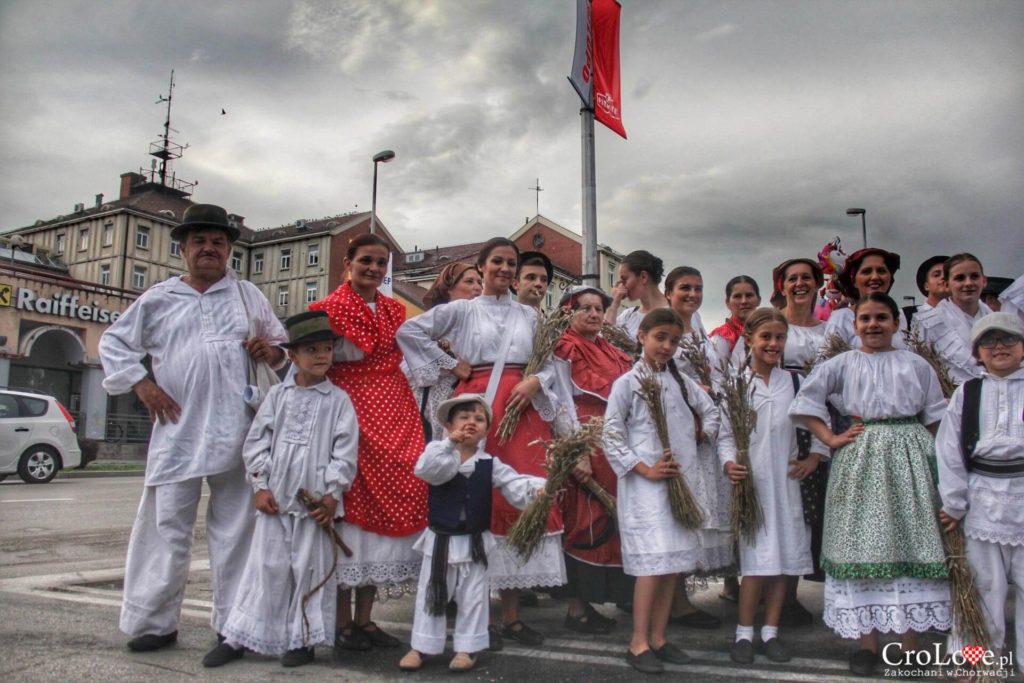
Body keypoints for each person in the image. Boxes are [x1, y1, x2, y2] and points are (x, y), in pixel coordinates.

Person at [99, 203, 287, 651]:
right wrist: (141, 384)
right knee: (164, 526)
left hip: (238, 430)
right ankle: (154, 623)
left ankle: (234, 627)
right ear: (183, 248)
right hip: (177, 430)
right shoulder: (159, 298)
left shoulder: (248, 296)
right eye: (199, 241)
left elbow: (283, 350)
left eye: (218, 242)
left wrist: (271, 352)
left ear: (229, 251)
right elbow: (114, 343)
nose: (209, 248)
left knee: (237, 531)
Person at [397, 237, 565, 649]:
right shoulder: (461, 310)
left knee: (518, 498)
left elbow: (552, 363)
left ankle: (512, 615)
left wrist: (535, 381)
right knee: (474, 505)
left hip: (522, 413)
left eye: (512, 263)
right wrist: (452, 364)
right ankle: (479, 616)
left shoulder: (530, 317)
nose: (505, 270)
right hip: (478, 409)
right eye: (498, 263)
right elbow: (409, 330)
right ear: (483, 266)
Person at [789, 293, 950, 677]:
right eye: (865, 318)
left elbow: (936, 415)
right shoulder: (841, 363)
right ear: (855, 324)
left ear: (896, 323)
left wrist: (929, 456)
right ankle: (867, 643)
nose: (873, 325)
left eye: (881, 317)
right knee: (862, 542)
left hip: (909, 454)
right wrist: (828, 438)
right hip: (860, 456)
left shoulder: (916, 364)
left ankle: (910, 643)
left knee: (908, 539)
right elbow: (806, 400)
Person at [203, 311, 359, 668]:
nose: (322, 356)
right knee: (266, 567)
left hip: (314, 503)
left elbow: (345, 452)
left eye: (327, 349)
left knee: (307, 568)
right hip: (276, 498)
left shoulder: (338, 401)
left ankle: (301, 640)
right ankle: (239, 635)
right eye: (312, 349)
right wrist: (259, 485)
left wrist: (332, 495)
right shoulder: (278, 396)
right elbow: (256, 442)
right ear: (293, 355)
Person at [309, 233, 428, 653]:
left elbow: (416, 354)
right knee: (351, 509)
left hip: (394, 407)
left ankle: (366, 619)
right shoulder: (325, 310)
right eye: (367, 261)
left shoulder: (397, 310)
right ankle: (342, 622)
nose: (374, 269)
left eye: (381, 263)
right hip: (348, 408)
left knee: (392, 502)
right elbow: (311, 362)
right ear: (349, 262)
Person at [603, 309, 720, 674]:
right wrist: (644, 468)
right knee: (652, 567)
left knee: (672, 566)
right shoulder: (627, 383)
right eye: (661, 338)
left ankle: (659, 636)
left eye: (674, 340)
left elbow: (713, 413)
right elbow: (611, 433)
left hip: (679, 484)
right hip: (645, 489)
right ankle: (638, 642)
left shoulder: (681, 381)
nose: (667, 346)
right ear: (642, 336)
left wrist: (701, 435)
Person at [399, 394, 545, 673]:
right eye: (464, 417)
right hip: (440, 541)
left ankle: (468, 647)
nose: (471, 423)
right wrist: (450, 444)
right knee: (433, 592)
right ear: (449, 425)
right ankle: (422, 645)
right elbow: (427, 471)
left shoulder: (489, 463)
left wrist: (537, 488)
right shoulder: (438, 452)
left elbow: (514, 485)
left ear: (486, 431)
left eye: (479, 419)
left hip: (474, 541)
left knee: (474, 595)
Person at [719, 308, 823, 665]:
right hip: (754, 484)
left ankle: (771, 633)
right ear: (749, 339)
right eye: (766, 337)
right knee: (756, 564)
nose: (773, 344)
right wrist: (729, 463)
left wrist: (814, 458)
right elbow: (724, 435)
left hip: (787, 484)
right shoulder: (734, 382)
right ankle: (744, 633)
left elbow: (817, 423)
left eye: (780, 337)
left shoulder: (795, 382)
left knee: (784, 564)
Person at [935, 312, 1023, 671]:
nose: (998, 347)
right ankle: (978, 661)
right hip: (983, 499)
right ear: (977, 353)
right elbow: (949, 450)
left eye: (1007, 339)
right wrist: (954, 504)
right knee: (982, 586)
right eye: (989, 341)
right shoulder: (968, 393)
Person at [551, 286, 634, 634]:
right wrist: (577, 449)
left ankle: (602, 599)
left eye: (599, 308)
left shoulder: (612, 351)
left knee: (608, 516)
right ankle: (577, 608)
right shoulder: (563, 349)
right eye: (584, 308)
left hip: (612, 438)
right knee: (583, 518)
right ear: (568, 313)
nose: (594, 314)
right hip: (583, 436)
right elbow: (560, 401)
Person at [664, 266, 735, 623]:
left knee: (704, 515)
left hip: (707, 433)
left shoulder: (702, 332)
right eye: (684, 288)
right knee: (683, 516)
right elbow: (660, 377)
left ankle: (684, 599)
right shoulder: (666, 332)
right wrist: (692, 405)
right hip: (684, 432)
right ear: (668, 293)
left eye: (698, 288)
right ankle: (676, 602)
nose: (692, 294)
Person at [772, 257, 828, 625]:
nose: (799, 284)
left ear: (817, 283)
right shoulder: (774, 327)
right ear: (782, 286)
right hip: (779, 421)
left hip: (817, 425)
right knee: (777, 504)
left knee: (805, 512)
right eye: (792, 279)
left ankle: (788, 597)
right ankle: (767, 593)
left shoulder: (829, 331)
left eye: (806, 277)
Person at [415, 262, 483, 441]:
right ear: (449, 290)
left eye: (479, 282)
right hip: (437, 401)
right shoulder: (435, 323)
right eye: (469, 282)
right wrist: (450, 363)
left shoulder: (483, 324)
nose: (477, 287)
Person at [912, 253, 993, 383]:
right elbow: (919, 371)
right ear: (946, 284)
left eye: (974, 276)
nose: (968, 283)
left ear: (984, 281)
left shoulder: (999, 321)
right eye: (959, 278)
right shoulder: (929, 322)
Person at [823, 247, 909, 350]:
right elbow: (827, 360)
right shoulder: (841, 318)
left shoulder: (904, 317)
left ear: (890, 279)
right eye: (866, 271)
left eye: (881, 271)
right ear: (854, 281)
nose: (875, 277)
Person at [604, 250, 671, 338]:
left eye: (624, 279)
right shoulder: (628, 315)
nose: (621, 285)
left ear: (643, 277)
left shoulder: (678, 312)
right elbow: (605, 339)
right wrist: (614, 304)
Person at [709, 276, 762, 365]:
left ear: (759, 300)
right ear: (728, 303)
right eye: (737, 296)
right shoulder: (722, 336)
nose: (744, 301)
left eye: (749, 295)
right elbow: (716, 375)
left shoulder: (769, 331)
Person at [903, 255, 949, 326]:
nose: (943, 277)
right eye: (936, 275)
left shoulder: (965, 315)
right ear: (926, 286)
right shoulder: (907, 315)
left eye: (948, 274)